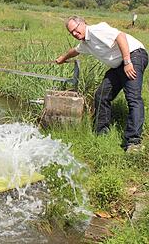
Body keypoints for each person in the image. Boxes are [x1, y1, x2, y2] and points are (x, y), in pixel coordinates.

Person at [56, 16, 148, 152]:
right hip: (118, 65)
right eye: (71, 33)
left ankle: (133, 142)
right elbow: (75, 51)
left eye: (75, 30)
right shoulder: (85, 43)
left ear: (82, 23)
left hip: (133, 55)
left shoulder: (95, 30)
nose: (75, 34)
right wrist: (62, 58)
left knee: (133, 98)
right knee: (101, 95)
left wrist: (128, 62)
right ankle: (101, 133)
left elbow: (120, 36)